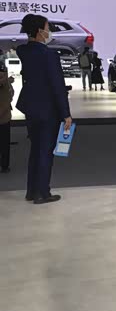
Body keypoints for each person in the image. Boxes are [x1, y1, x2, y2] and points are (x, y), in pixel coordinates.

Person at [15, 14, 72, 204]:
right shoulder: (49, 55)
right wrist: (66, 114)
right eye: (48, 28)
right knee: (45, 151)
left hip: (31, 108)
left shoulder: (24, 51)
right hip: (48, 110)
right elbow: (57, 86)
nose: (49, 32)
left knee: (35, 150)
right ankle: (42, 193)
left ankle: (31, 191)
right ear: (40, 31)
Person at [0, 64, 13, 173]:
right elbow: (10, 95)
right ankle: (4, 165)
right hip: (4, 117)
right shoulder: (6, 81)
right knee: (4, 143)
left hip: (4, 116)